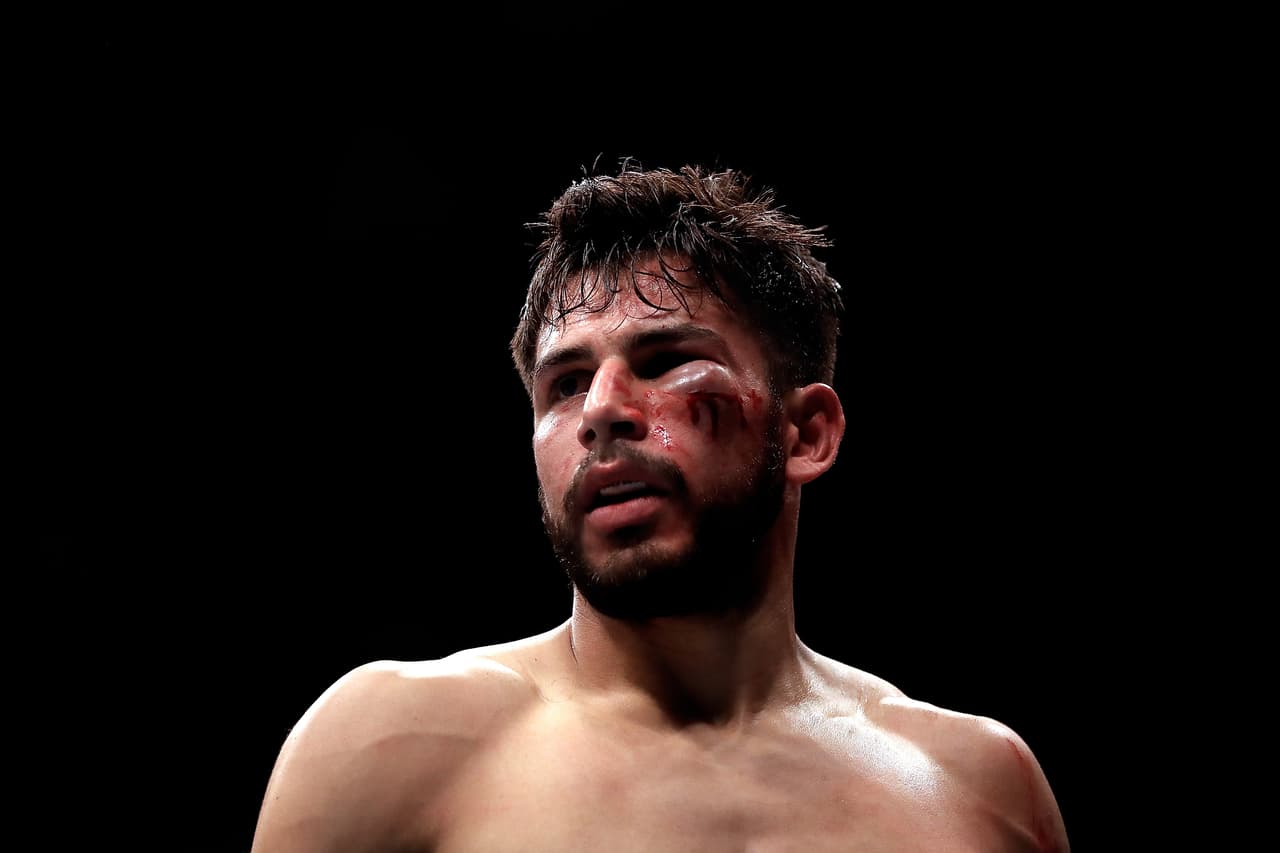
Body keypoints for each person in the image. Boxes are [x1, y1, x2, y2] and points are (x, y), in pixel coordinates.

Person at [250, 164, 1070, 852]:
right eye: (564, 383)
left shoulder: (971, 788)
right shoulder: (391, 747)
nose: (602, 409)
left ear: (807, 434)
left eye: (666, 358)